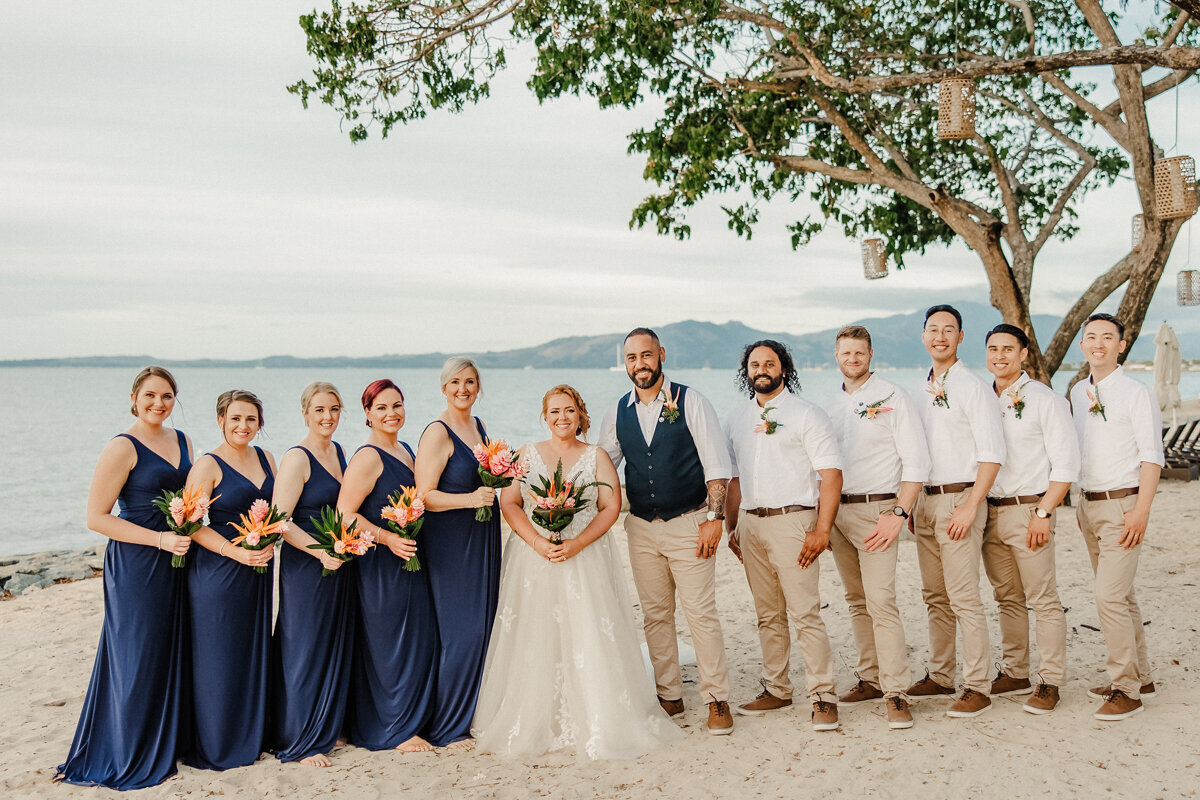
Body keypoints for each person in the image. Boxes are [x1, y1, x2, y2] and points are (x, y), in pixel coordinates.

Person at [474, 386, 683, 759]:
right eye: (554, 411)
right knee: (536, 634)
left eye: (569, 410)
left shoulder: (596, 456)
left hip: (584, 556)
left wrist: (578, 542)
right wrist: (538, 543)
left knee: (588, 629)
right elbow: (510, 501)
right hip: (535, 558)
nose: (562, 418)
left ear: (580, 414)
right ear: (544, 415)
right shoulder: (526, 454)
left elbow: (610, 505)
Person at [56, 367, 195, 790]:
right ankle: (130, 749)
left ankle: (169, 740)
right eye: (150, 395)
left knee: (174, 647)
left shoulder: (184, 440)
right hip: (138, 562)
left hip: (179, 557)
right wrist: (158, 539)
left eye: (167, 396)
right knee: (137, 651)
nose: (159, 403)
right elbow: (96, 518)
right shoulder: (122, 447)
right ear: (134, 397)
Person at [597, 328, 735, 735]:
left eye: (645, 355)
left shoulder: (692, 401)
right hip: (641, 528)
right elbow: (604, 466)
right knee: (656, 616)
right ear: (625, 363)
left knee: (700, 615)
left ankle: (716, 699)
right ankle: (669, 695)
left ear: (660, 354)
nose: (639, 364)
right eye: (631, 358)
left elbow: (717, 463)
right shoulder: (617, 410)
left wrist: (715, 519)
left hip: (690, 524)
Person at [724, 340, 844, 732]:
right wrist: (731, 525)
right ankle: (777, 688)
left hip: (794, 522)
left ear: (784, 368)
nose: (762, 369)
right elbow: (734, 478)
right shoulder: (737, 419)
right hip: (750, 523)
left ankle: (823, 696)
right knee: (767, 614)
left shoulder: (807, 415)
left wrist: (821, 529)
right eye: (755, 363)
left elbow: (831, 476)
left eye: (769, 363)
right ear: (747, 372)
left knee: (805, 613)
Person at [824, 326, 929, 730]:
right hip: (838, 515)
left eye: (860, 352)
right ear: (836, 356)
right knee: (855, 601)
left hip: (879, 513)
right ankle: (869, 678)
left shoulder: (893, 396)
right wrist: (824, 519)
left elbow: (916, 461)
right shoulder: (830, 405)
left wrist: (900, 513)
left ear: (871, 354)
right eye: (846, 352)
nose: (853, 358)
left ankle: (896, 692)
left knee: (882, 602)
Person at [908, 305, 1005, 718]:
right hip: (925, 501)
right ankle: (942, 674)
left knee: (964, 596)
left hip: (959, 499)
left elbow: (992, 453)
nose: (940, 336)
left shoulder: (972, 386)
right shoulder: (919, 387)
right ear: (924, 336)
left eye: (949, 330)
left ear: (961, 337)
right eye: (933, 329)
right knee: (935, 596)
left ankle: (978, 685)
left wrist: (970, 505)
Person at [1070, 313, 1164, 721]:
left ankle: (1125, 689)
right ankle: (1141, 677)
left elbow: (1152, 456)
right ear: (1082, 345)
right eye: (1091, 337)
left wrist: (1140, 511)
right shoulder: (1077, 393)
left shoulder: (1135, 392)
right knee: (1121, 595)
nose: (1099, 344)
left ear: (1121, 346)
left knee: (1107, 596)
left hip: (1124, 504)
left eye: (1108, 337)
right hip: (1088, 505)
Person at [982, 324, 1079, 714]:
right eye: (993, 349)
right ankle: (1016, 670)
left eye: (1008, 349)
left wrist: (1044, 511)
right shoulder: (981, 398)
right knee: (1006, 597)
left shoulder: (1044, 399)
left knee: (1043, 598)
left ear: (1023, 354)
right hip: (990, 510)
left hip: (1029, 510)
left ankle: (1050, 679)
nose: (1000, 356)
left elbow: (1066, 464)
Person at [338, 379, 437, 751]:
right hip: (380, 562)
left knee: (414, 639)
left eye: (397, 405)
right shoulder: (367, 456)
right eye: (381, 408)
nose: (391, 413)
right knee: (387, 643)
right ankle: (393, 729)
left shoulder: (407, 450)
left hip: (410, 557)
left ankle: (411, 719)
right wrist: (388, 538)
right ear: (367, 414)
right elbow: (344, 514)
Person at [184, 390, 277, 770]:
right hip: (219, 573)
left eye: (251, 419)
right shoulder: (208, 464)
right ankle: (219, 744)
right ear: (220, 420)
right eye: (235, 418)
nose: (243, 426)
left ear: (260, 423)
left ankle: (251, 737)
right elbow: (188, 523)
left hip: (259, 572)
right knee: (219, 659)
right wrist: (236, 552)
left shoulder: (268, 458)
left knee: (251, 654)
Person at [415, 358, 500, 749]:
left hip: (481, 535)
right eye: (455, 382)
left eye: (470, 382)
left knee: (484, 627)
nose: (463, 388)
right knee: (461, 634)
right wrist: (471, 499)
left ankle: (471, 716)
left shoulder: (478, 426)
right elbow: (424, 497)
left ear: (478, 387)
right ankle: (448, 727)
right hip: (452, 542)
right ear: (443, 388)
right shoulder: (437, 432)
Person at [269, 382, 354, 765]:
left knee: (331, 642)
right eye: (319, 410)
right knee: (302, 645)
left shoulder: (338, 451)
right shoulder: (297, 458)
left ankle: (325, 726)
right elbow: (278, 520)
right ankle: (299, 740)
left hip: (339, 561)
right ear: (305, 413)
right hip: (306, 565)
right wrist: (321, 552)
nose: (327, 417)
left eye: (334, 409)